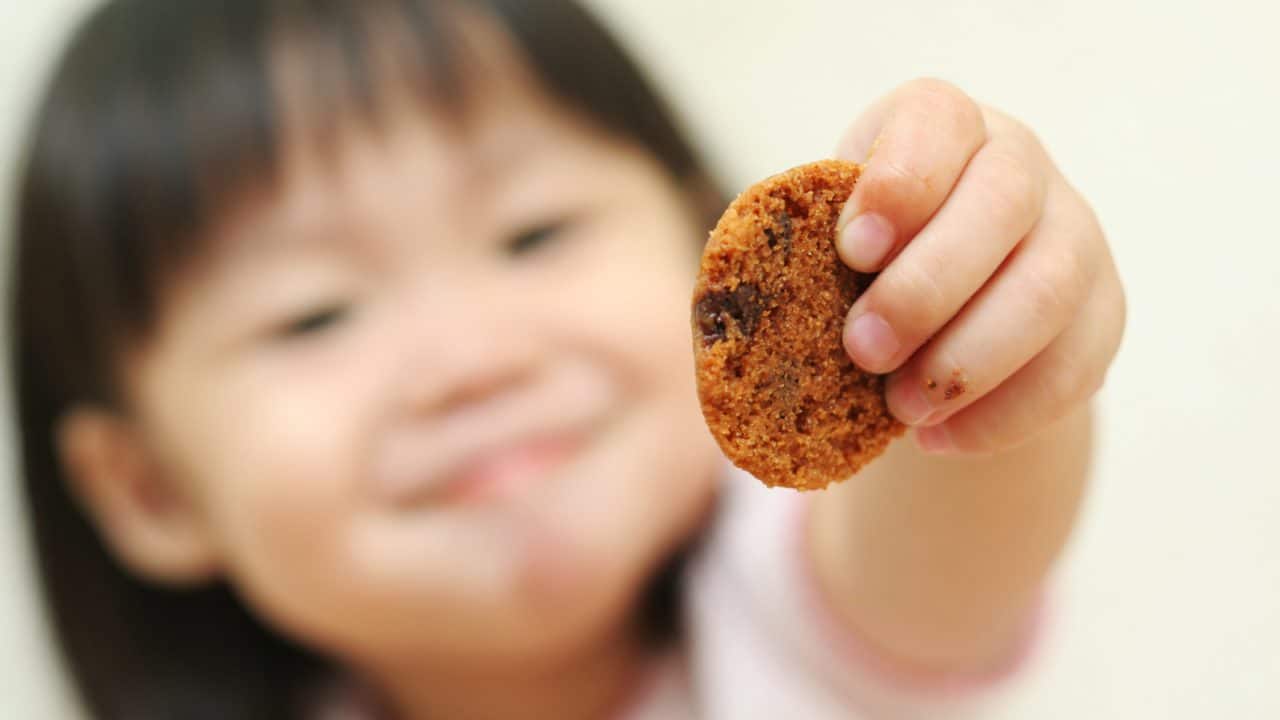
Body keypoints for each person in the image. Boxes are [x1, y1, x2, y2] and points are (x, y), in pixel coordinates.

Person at [9, 0, 1125, 718]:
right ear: (149, 488)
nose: (471, 359)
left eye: (531, 235)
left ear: (711, 262)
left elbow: (948, 549)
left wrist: (956, 309)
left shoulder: (789, 620)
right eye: (313, 315)